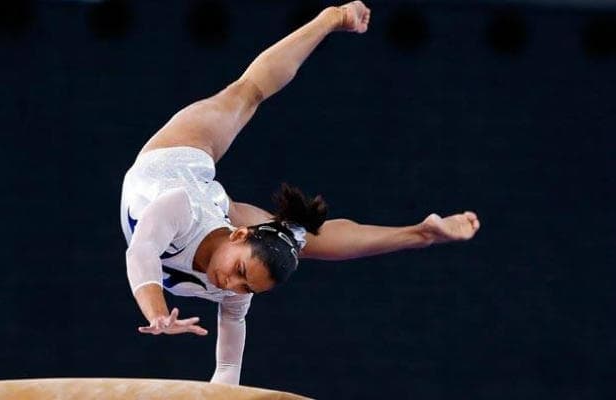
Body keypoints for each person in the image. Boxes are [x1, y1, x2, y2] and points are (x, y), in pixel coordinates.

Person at [119, 1, 480, 386]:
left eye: (247, 286)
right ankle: (330, 17)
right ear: (238, 236)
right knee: (247, 92)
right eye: (240, 273)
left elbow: (227, 370)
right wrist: (156, 313)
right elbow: (142, 251)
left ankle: (421, 233)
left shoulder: (242, 284)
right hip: (177, 159)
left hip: (215, 207)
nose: (233, 286)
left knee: (297, 243)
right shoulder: (178, 207)